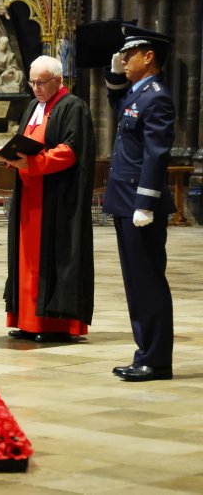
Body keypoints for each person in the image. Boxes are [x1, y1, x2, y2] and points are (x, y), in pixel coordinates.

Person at [0, 55, 95, 343]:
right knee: (26, 259)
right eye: (32, 82)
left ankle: (55, 324)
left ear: (58, 80)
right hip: (30, 194)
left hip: (56, 198)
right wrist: (11, 156)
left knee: (53, 258)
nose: (36, 88)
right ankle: (28, 321)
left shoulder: (72, 107)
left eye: (42, 82)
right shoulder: (33, 106)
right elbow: (24, 139)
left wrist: (32, 164)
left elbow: (69, 150)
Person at [104, 25, 176, 382]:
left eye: (129, 54)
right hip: (125, 200)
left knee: (148, 281)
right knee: (136, 283)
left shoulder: (157, 96)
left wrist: (145, 202)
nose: (124, 59)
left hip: (139, 202)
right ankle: (145, 353)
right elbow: (119, 105)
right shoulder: (138, 94)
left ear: (149, 57)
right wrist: (115, 75)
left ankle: (158, 359)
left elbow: (156, 155)